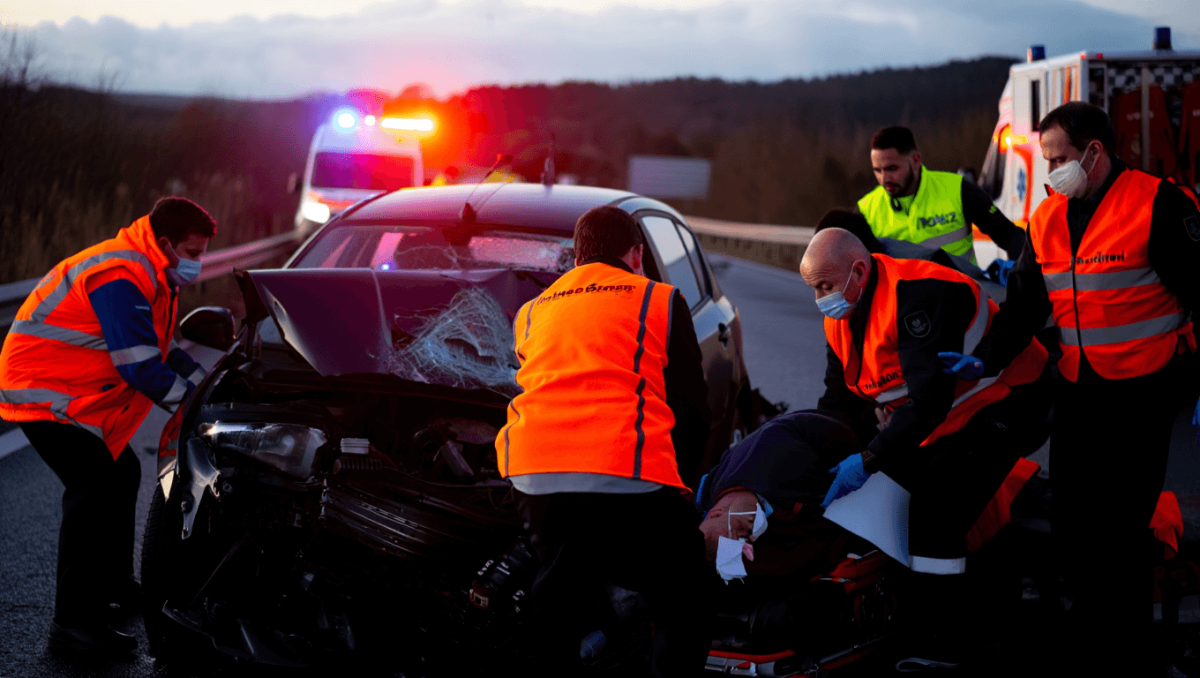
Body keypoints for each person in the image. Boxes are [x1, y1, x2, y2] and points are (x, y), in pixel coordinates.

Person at [943, 102, 1200, 674]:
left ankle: (1128, 652)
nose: (1052, 168)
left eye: (1059, 157)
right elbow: (1025, 308)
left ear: (1094, 152)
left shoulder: (1157, 204)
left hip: (1145, 390)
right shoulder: (1049, 216)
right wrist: (980, 362)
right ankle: (1089, 642)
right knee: (1076, 526)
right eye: (1046, 157)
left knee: (1123, 530)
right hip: (1082, 390)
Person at [800, 227, 1051, 670]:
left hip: (1013, 396)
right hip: (949, 417)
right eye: (814, 289)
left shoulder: (917, 296)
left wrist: (870, 458)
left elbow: (930, 402)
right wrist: (810, 450)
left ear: (858, 271)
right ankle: (918, 620)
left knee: (937, 505)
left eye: (824, 286)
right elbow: (838, 401)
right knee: (895, 493)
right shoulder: (840, 318)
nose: (820, 298)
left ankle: (942, 646)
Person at [495, 205, 713, 676]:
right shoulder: (658, 299)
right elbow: (694, 412)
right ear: (636, 254)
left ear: (575, 258)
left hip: (533, 476)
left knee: (558, 588)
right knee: (685, 592)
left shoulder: (532, 311)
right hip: (628, 477)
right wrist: (682, 489)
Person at [0, 197, 215, 657]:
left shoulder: (151, 271)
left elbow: (161, 346)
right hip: (42, 391)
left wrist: (208, 385)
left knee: (122, 474)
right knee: (93, 487)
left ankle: (114, 585)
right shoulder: (121, 274)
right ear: (165, 243)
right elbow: (139, 366)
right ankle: (72, 625)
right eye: (194, 253)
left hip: (65, 388)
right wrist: (193, 403)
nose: (200, 263)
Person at [695, 410, 861, 583]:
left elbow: (831, 529)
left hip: (852, 449)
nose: (747, 535)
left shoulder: (787, 473)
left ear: (716, 512)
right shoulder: (715, 490)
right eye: (742, 541)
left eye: (736, 531)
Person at [858, 126, 1025, 264]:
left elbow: (1010, 236)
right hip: (903, 302)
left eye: (892, 168)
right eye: (877, 170)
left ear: (915, 161)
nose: (884, 178)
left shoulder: (957, 190)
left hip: (962, 295)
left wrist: (1021, 277)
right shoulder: (866, 209)